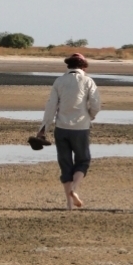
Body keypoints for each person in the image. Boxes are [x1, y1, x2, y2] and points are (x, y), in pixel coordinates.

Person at [37, 53, 101, 210]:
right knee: (83, 160)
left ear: (68, 66)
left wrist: (43, 129)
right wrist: (90, 116)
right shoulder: (88, 81)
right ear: (84, 66)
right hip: (81, 128)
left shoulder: (59, 81)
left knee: (65, 164)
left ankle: (69, 204)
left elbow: (51, 106)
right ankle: (74, 189)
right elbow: (96, 104)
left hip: (61, 128)